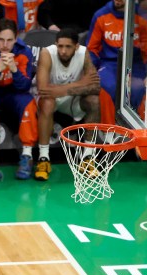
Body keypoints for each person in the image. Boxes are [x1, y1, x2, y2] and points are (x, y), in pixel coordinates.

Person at [34, 27, 100, 182]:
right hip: (50, 99)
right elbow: (43, 89)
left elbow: (96, 87)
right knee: (47, 102)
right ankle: (43, 159)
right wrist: (80, 84)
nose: (63, 51)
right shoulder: (47, 53)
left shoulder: (83, 53)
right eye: (60, 46)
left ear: (76, 46)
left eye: (68, 47)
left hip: (71, 99)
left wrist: (60, 90)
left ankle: (87, 158)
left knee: (94, 101)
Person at [0, 19, 38, 180]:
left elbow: (25, 86)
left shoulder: (24, 52)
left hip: (13, 92)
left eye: (10, 40)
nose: (5, 45)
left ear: (16, 39)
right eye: (1, 39)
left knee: (28, 103)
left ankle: (27, 154)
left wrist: (14, 70)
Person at [87, 0, 147, 126]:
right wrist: (93, 69)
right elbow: (92, 49)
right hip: (109, 64)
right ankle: (109, 131)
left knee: (144, 91)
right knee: (106, 88)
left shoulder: (143, 17)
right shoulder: (101, 15)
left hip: (136, 64)